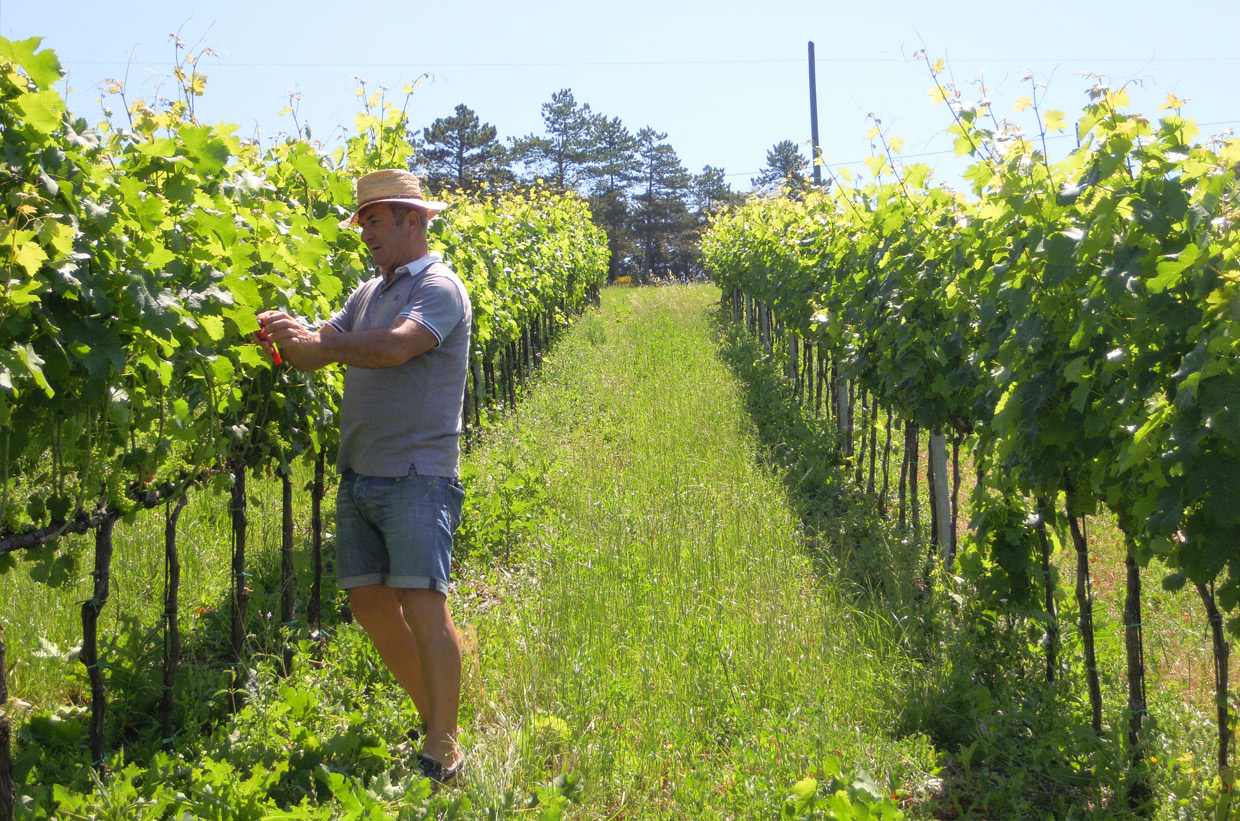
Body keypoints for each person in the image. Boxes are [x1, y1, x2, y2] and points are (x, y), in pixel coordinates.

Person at [255, 169, 470, 786]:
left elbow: (398, 347)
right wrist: (288, 334)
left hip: (417, 473)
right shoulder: (368, 291)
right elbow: (327, 340)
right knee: (370, 603)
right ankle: (436, 718)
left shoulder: (440, 287)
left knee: (423, 604)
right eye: (363, 221)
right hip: (362, 473)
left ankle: (444, 749)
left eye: (375, 219)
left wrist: (321, 348)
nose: (365, 232)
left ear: (413, 219)